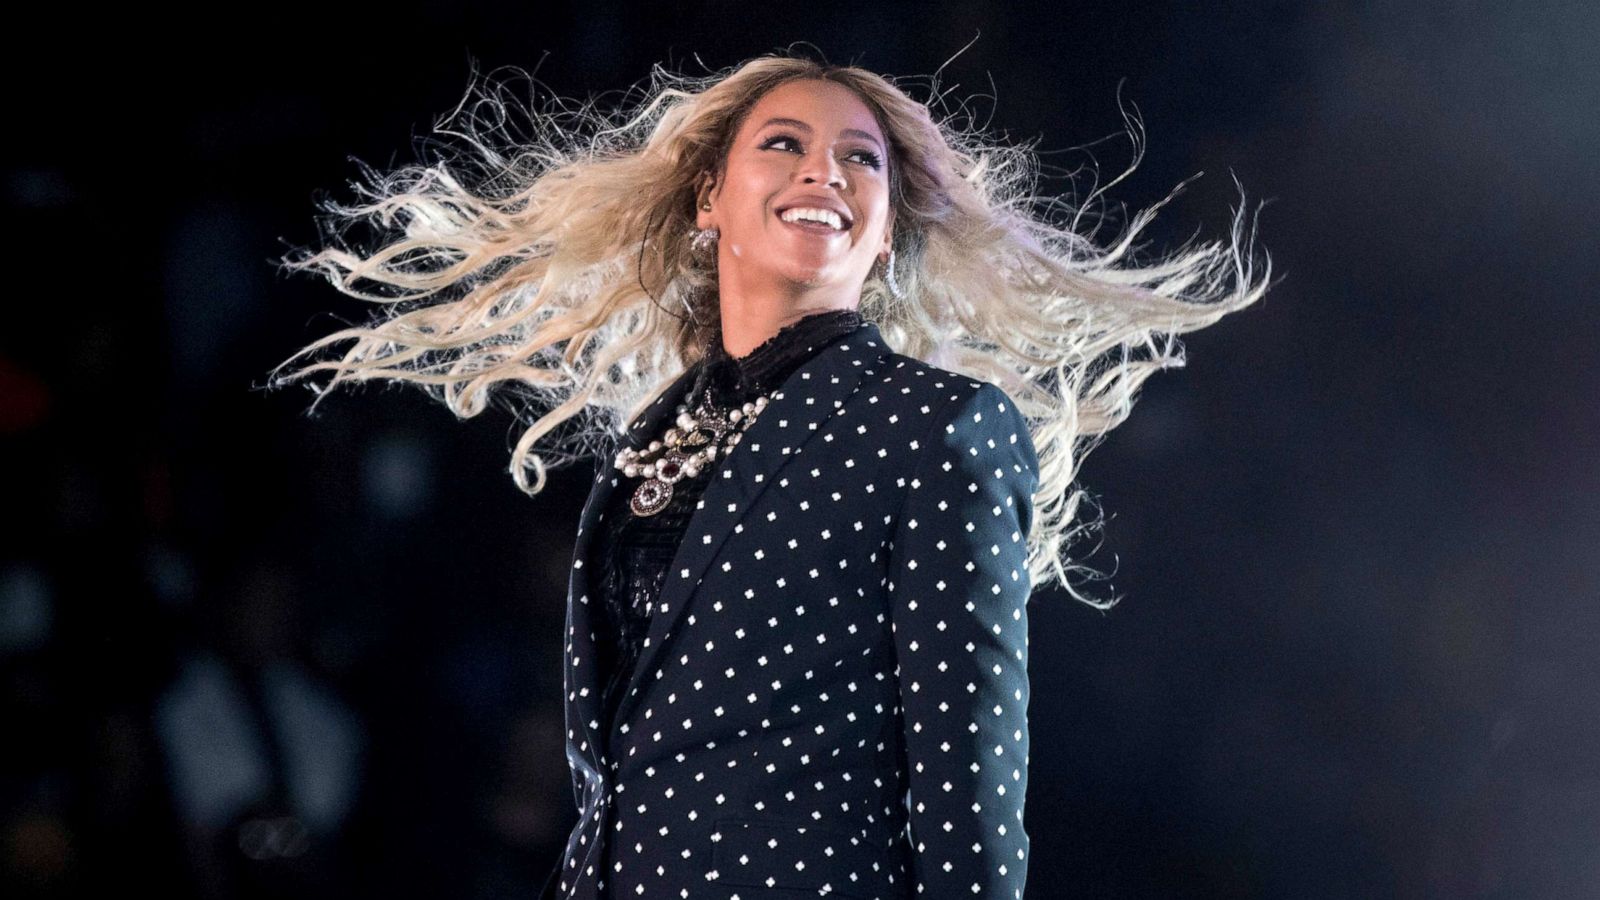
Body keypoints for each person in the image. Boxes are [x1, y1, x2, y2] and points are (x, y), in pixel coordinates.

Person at [269, 50, 1271, 900]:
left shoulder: (937, 426)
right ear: (710, 198)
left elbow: (967, 785)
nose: (822, 171)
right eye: (784, 143)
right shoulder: (652, 437)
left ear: (885, 232)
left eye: (859, 160)